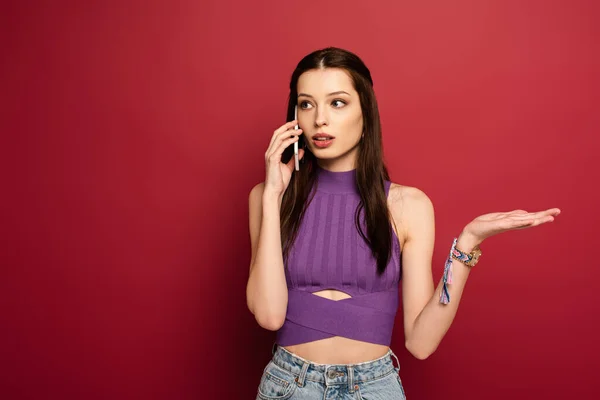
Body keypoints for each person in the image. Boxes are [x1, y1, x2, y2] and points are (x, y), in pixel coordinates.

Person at [246, 47, 560, 400]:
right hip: (289, 385)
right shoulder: (266, 197)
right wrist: (273, 198)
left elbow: (421, 342)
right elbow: (270, 316)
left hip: (373, 386)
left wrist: (468, 243)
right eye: (306, 103)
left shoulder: (408, 205)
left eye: (337, 102)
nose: (320, 119)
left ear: (366, 112)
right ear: (294, 118)